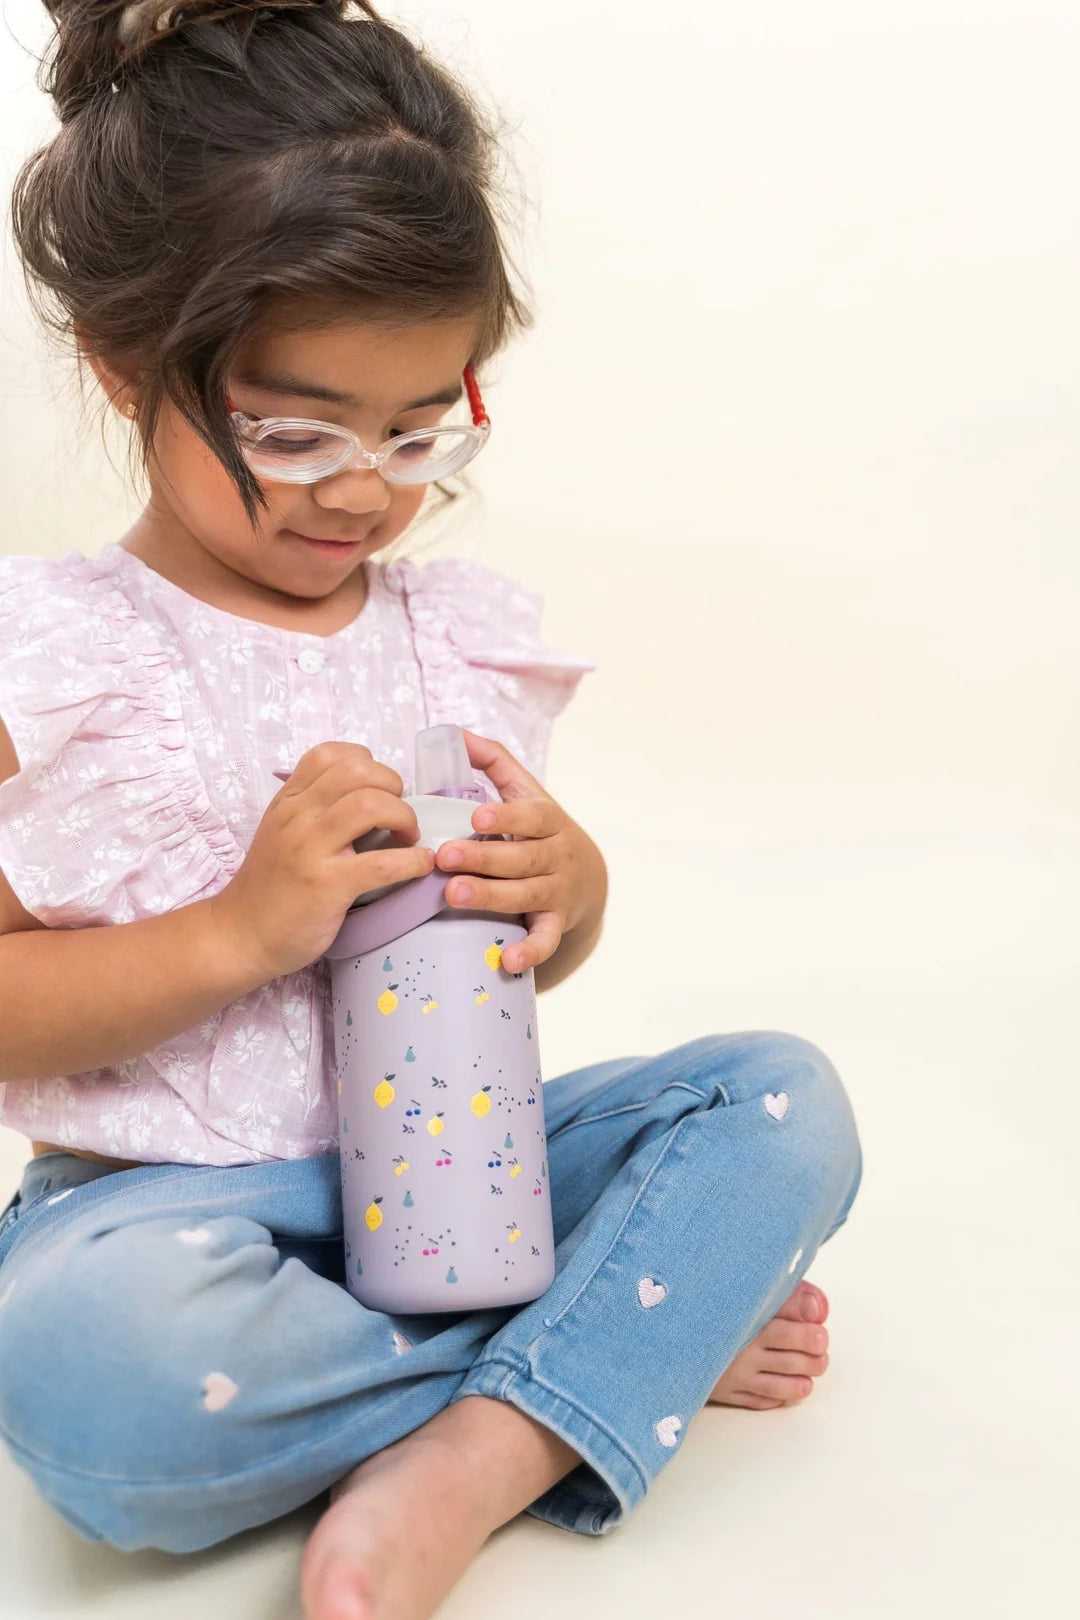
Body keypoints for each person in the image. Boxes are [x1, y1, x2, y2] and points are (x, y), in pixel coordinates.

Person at [0, 4, 862, 1617]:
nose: (362, 489)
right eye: (295, 429)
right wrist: (236, 932)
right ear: (123, 365)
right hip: (164, 1230)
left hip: (474, 1179)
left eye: (416, 431)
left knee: (779, 1101)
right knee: (82, 1378)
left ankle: (470, 1446)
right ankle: (608, 1351)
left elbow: (508, 954)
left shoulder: (447, 632)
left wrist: (570, 889)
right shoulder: (52, 656)